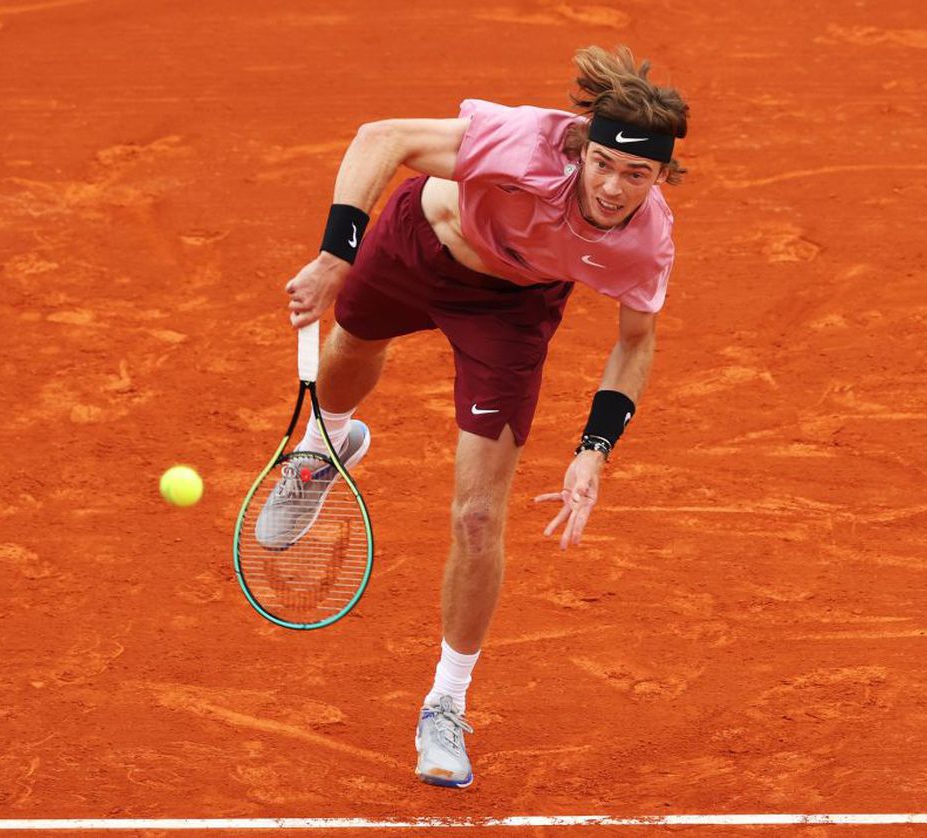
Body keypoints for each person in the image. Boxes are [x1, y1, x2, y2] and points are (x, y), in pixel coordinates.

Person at [263, 45, 688, 788]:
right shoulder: (523, 143)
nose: (615, 188)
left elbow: (635, 341)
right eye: (605, 166)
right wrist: (336, 256)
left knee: (479, 518)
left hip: (510, 312)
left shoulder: (645, 241)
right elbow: (381, 138)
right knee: (350, 349)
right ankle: (323, 446)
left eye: (638, 175)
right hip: (411, 244)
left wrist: (594, 450)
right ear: (582, 149)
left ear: (660, 177)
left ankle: (446, 704)